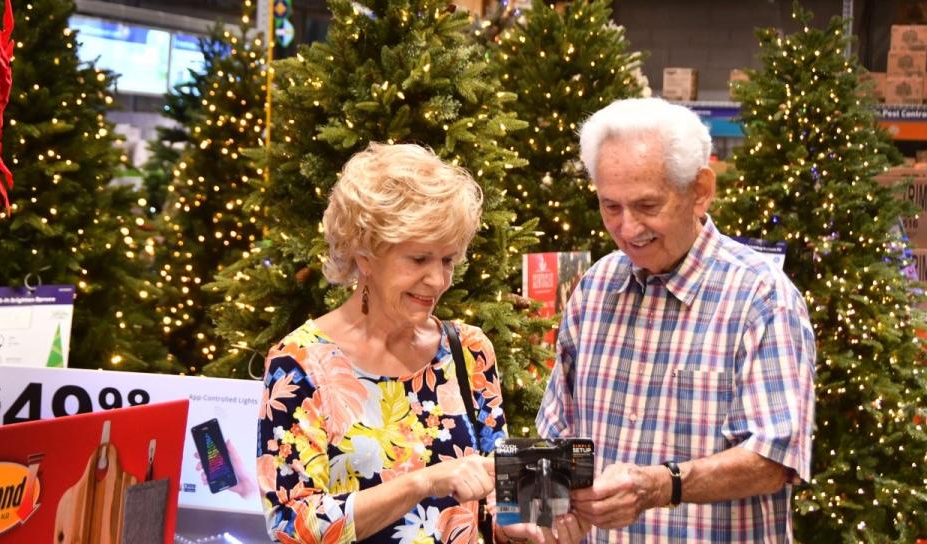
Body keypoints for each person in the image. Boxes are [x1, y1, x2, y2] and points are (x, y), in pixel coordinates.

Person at [257, 143, 585, 544]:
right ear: (365, 254)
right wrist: (422, 482)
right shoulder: (301, 364)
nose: (438, 280)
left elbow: (495, 498)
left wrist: (519, 528)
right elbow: (292, 525)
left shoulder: (468, 350)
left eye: (447, 260)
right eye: (418, 259)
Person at [536, 98, 816, 543]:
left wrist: (662, 485)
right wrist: (545, 518)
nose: (628, 229)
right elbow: (557, 430)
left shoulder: (760, 296)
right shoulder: (594, 289)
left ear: (700, 190)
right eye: (611, 207)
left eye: (648, 205)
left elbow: (774, 458)